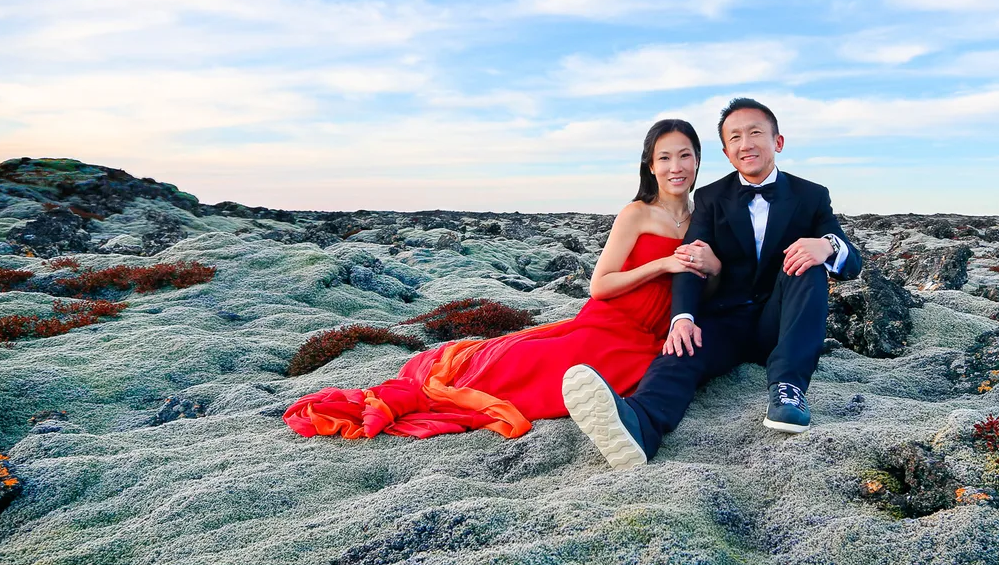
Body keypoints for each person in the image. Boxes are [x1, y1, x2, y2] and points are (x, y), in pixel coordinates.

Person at [283, 119, 721, 440]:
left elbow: (708, 289)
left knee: (629, 380)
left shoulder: (705, 218)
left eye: (685, 155)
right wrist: (662, 266)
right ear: (650, 163)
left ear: (698, 160)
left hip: (653, 335)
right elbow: (599, 285)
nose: (675, 166)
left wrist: (712, 268)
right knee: (529, 373)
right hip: (607, 323)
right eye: (665, 157)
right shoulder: (636, 214)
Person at [562, 97, 862, 469]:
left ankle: (789, 391)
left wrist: (827, 245)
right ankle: (640, 424)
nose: (746, 144)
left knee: (808, 265)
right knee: (681, 349)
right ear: (725, 151)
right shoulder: (709, 198)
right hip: (725, 320)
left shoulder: (811, 195)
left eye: (755, 133)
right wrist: (683, 317)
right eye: (735, 137)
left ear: (778, 142)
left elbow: (852, 262)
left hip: (782, 323)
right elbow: (690, 256)